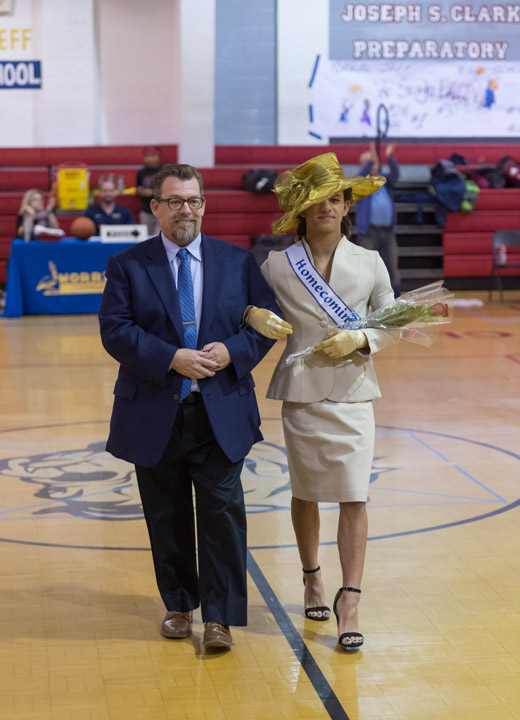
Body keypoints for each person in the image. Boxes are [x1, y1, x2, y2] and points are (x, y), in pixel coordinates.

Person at [98, 163, 278, 650]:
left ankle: (219, 617)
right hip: (155, 411)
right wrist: (171, 358)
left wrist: (232, 352)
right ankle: (178, 605)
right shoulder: (128, 265)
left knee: (222, 513)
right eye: (175, 201)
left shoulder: (238, 262)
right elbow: (116, 331)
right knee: (166, 514)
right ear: (156, 207)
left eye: (194, 200)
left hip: (219, 412)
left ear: (204, 205)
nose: (186, 210)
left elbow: (265, 326)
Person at [244, 152, 400, 651]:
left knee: (355, 495)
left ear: (347, 207)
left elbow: (392, 320)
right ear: (302, 210)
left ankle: (349, 598)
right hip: (303, 395)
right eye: (318, 200)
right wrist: (251, 313)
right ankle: (312, 577)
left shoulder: (370, 262)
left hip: (355, 395)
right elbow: (239, 308)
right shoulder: (274, 265)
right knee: (306, 492)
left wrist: (363, 341)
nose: (328, 207)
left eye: (336, 198)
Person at [355, 141, 401, 296]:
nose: (375, 165)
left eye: (375, 162)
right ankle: (365, 300)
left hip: (387, 232)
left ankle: (395, 299)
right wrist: (371, 159)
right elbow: (362, 175)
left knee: (391, 267)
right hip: (369, 232)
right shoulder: (361, 183)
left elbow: (395, 174)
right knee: (367, 268)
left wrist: (389, 158)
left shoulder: (384, 182)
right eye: (370, 163)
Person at [136, 146, 162, 236]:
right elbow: (138, 188)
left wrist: (151, 192)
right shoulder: (141, 172)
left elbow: (168, 189)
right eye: (147, 155)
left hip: (161, 211)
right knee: (145, 238)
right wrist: (141, 191)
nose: (149, 158)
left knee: (158, 238)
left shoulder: (164, 170)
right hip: (146, 211)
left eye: (152, 155)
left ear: (158, 156)